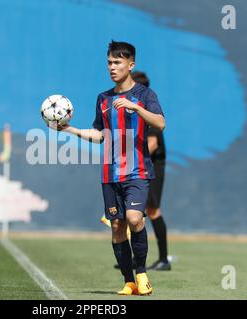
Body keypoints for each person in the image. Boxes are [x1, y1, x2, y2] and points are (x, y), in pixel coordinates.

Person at [49, 41, 165, 295]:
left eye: (117, 63)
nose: (112, 68)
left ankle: (142, 273)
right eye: (109, 63)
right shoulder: (103, 99)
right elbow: (100, 135)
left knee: (135, 218)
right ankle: (128, 281)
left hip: (137, 171)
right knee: (116, 226)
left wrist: (136, 107)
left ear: (130, 64)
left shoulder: (145, 95)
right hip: (110, 172)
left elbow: (160, 122)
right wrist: (69, 129)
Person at [132, 71, 171, 271]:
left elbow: (152, 144)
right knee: (136, 211)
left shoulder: (150, 112)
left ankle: (164, 259)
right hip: (140, 165)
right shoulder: (136, 112)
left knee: (153, 210)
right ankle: (136, 258)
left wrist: (127, 154)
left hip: (153, 166)